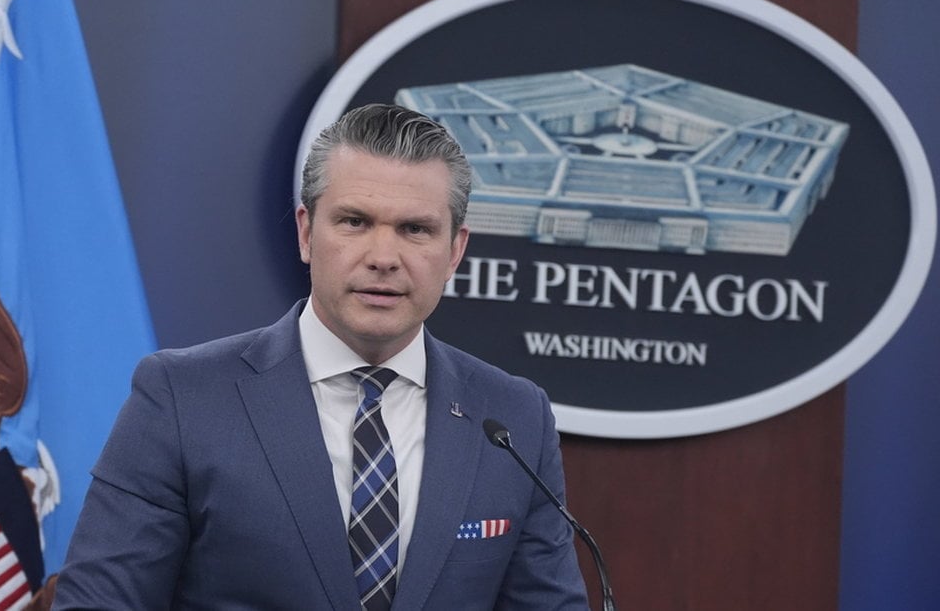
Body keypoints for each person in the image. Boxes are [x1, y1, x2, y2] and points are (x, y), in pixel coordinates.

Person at [52, 104, 589, 609]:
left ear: (455, 251)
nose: (383, 257)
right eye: (355, 222)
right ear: (307, 232)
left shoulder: (514, 417)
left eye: (415, 229)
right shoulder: (182, 398)